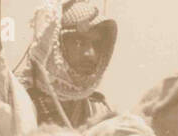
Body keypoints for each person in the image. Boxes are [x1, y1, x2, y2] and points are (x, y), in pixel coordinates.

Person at [16, 0, 116, 128]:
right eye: (79, 42)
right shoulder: (16, 100)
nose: (90, 54)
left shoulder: (99, 111)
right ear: (54, 44)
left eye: (97, 45)